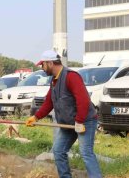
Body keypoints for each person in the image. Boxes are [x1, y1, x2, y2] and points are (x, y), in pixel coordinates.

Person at [26, 50, 102, 178]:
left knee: (86, 153)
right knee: (58, 150)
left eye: (43, 65)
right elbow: (49, 102)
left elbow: (83, 101)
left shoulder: (71, 76)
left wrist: (79, 121)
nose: (42, 68)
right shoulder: (54, 80)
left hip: (85, 121)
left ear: (50, 63)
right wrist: (36, 117)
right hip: (68, 123)